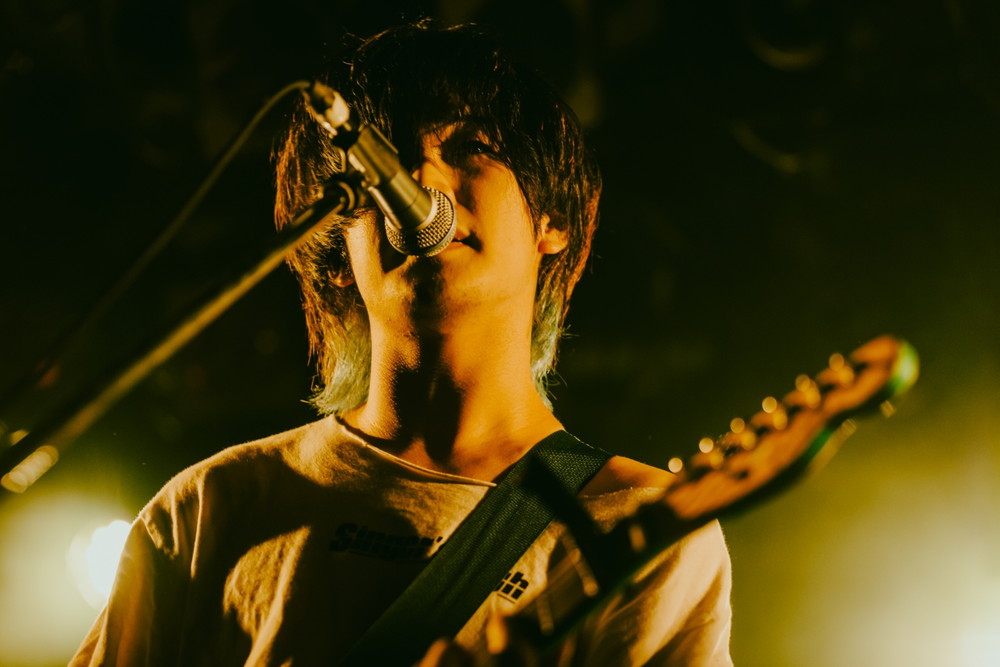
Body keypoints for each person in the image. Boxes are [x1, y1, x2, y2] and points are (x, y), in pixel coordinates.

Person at [71, 21, 732, 666]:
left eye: (471, 145)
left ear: (552, 218)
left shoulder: (641, 524)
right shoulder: (209, 508)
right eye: (379, 161)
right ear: (339, 252)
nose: (417, 176)